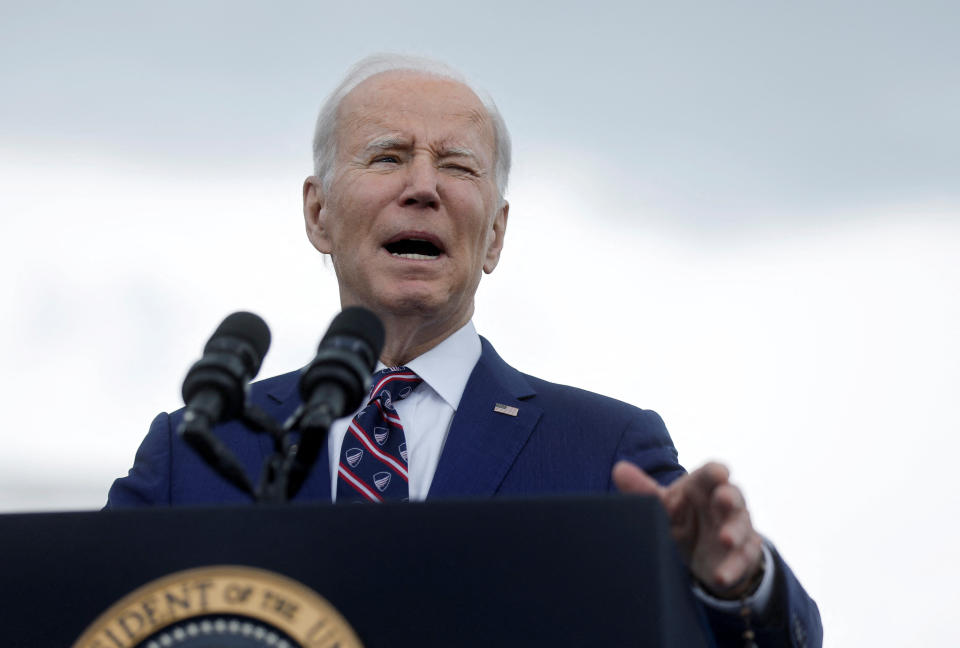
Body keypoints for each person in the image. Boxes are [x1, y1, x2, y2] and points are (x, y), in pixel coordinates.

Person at [107, 54, 822, 646]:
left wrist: (732, 585)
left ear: (496, 235)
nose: (422, 187)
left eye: (457, 166)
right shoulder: (193, 451)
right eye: (387, 156)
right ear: (319, 213)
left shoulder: (605, 451)